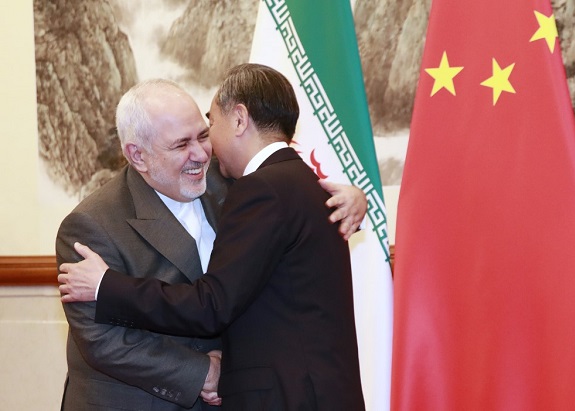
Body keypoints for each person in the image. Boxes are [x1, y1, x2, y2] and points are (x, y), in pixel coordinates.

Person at [59, 64, 367, 410]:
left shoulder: (239, 185)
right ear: (137, 155)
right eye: (181, 144)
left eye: (204, 135)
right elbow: (103, 340)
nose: (201, 154)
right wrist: (201, 372)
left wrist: (354, 198)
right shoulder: (90, 225)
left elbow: (286, 229)